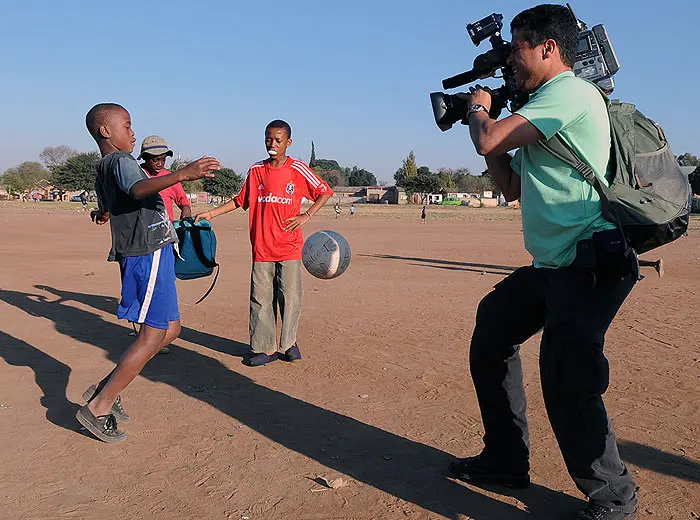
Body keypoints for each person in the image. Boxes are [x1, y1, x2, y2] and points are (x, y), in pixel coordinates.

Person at [448, 5, 638, 520]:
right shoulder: (537, 110)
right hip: (553, 265)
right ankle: (507, 461)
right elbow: (510, 186)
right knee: (492, 332)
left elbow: (487, 134)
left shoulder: (570, 93)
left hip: (591, 260)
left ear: (549, 48)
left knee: (567, 374)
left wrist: (479, 109)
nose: (512, 60)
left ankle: (614, 499)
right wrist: (491, 133)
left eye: (518, 49)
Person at [80, 103, 220, 442]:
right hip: (146, 254)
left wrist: (104, 212)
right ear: (106, 131)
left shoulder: (107, 165)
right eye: (127, 126)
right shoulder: (120, 161)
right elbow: (136, 190)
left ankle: (106, 388)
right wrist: (184, 173)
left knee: (171, 329)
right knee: (152, 334)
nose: (133, 132)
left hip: (154, 252)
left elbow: (115, 201)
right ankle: (99, 406)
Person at [195, 120, 332, 367]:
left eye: (278, 140)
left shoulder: (298, 169)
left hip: (289, 247)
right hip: (261, 248)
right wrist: (211, 213)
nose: (273, 144)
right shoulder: (256, 170)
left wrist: (307, 215)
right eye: (269, 139)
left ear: (288, 143)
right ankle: (263, 348)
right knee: (260, 299)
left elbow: (324, 191)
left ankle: (289, 343)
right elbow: (240, 200)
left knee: (290, 298)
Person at [138, 135, 192, 221]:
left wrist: (186, 209)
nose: (160, 164)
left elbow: (182, 199)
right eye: (155, 160)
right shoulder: (137, 176)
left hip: (165, 231)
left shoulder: (170, 178)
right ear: (145, 157)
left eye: (163, 160)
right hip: (142, 230)